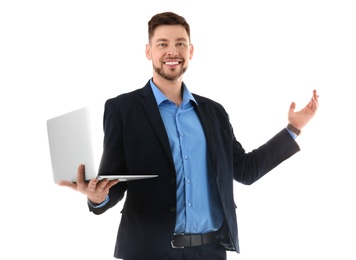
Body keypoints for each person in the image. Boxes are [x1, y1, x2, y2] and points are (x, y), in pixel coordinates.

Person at [58, 11, 319, 260]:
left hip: (209, 250)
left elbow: (245, 170)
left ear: (190, 51)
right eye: (162, 44)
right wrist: (98, 198)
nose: (172, 51)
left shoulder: (214, 112)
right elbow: (114, 181)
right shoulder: (122, 109)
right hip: (147, 251)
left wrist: (293, 130)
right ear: (149, 51)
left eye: (180, 43)